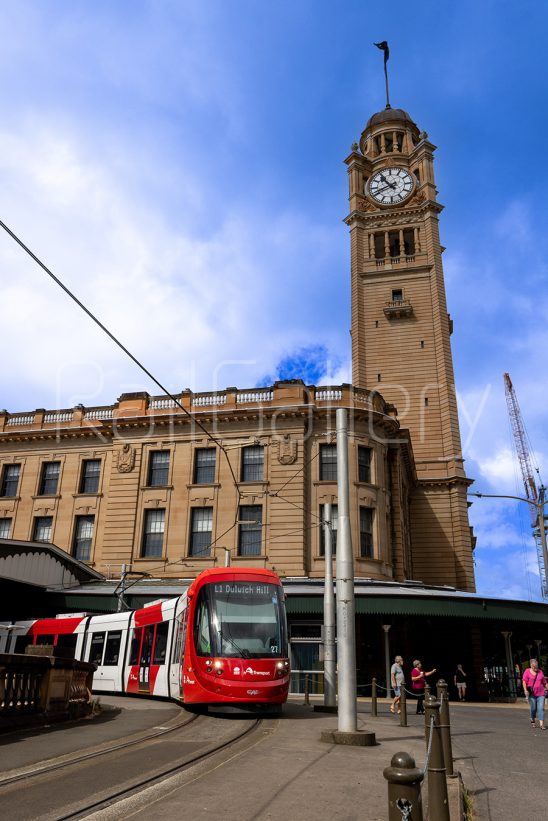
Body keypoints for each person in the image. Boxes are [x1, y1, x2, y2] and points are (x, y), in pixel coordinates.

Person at [522, 658, 547, 730]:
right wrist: (525, 690)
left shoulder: (540, 672)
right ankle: (532, 718)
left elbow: (544, 682)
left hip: (541, 693)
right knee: (533, 708)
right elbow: (524, 682)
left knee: (541, 708)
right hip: (532, 694)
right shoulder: (527, 671)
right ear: (531, 666)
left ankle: (541, 724)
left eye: (537, 667)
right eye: (534, 667)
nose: (536, 668)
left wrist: (547, 688)